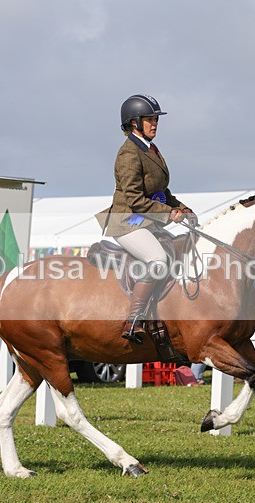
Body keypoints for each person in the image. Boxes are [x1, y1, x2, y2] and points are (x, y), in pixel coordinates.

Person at [96, 94, 196, 344]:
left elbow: (162, 192)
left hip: (146, 220)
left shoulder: (150, 148)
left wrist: (183, 208)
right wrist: (167, 214)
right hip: (127, 221)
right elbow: (134, 199)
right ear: (134, 123)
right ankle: (134, 320)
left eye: (155, 119)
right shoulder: (128, 153)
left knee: (179, 253)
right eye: (149, 119)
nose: (154, 124)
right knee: (158, 260)